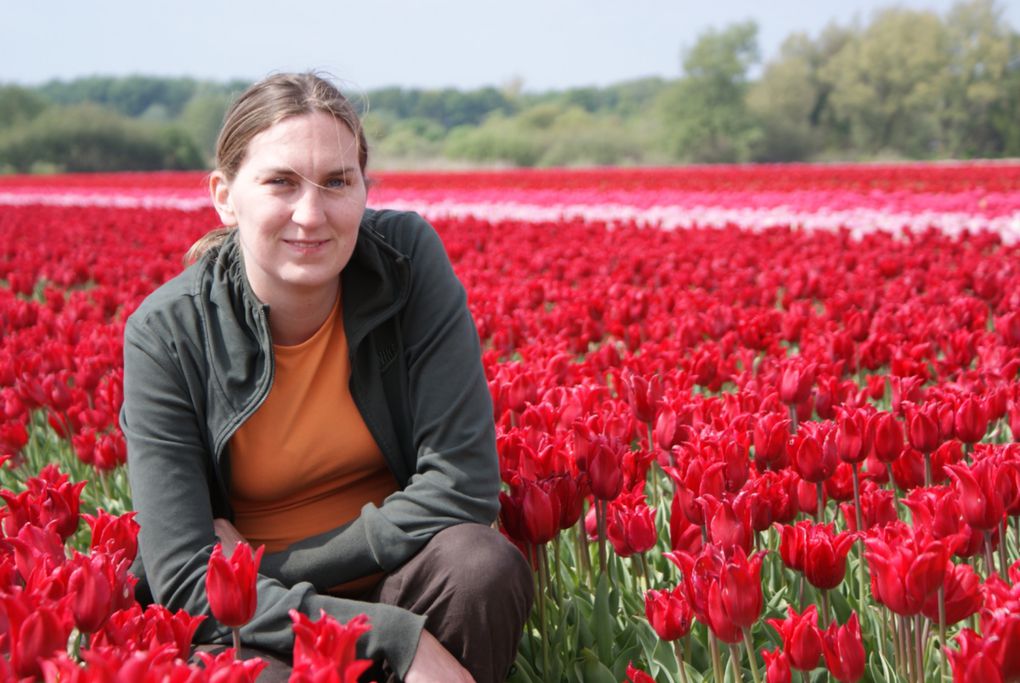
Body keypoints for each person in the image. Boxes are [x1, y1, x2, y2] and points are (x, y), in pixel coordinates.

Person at [121, 72, 533, 683]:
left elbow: (463, 485)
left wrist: (265, 568)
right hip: (261, 625)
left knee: (479, 565)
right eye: (280, 182)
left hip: (397, 579)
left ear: (366, 189)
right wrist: (395, 639)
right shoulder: (168, 333)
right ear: (225, 196)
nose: (311, 214)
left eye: (337, 181)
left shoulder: (404, 261)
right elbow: (184, 576)